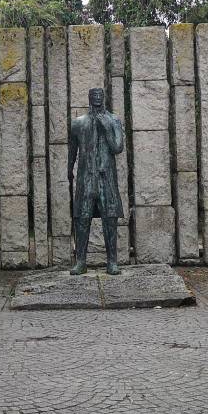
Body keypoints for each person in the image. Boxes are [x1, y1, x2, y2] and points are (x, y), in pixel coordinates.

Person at [67, 87, 125, 275]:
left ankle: (112, 262)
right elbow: (72, 150)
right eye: (94, 96)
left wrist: (107, 128)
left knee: (110, 218)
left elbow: (117, 148)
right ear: (89, 98)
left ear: (104, 98)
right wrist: (69, 170)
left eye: (100, 96)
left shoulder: (114, 120)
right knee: (82, 218)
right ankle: (81, 261)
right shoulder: (78, 123)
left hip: (106, 177)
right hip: (85, 177)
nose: (97, 99)